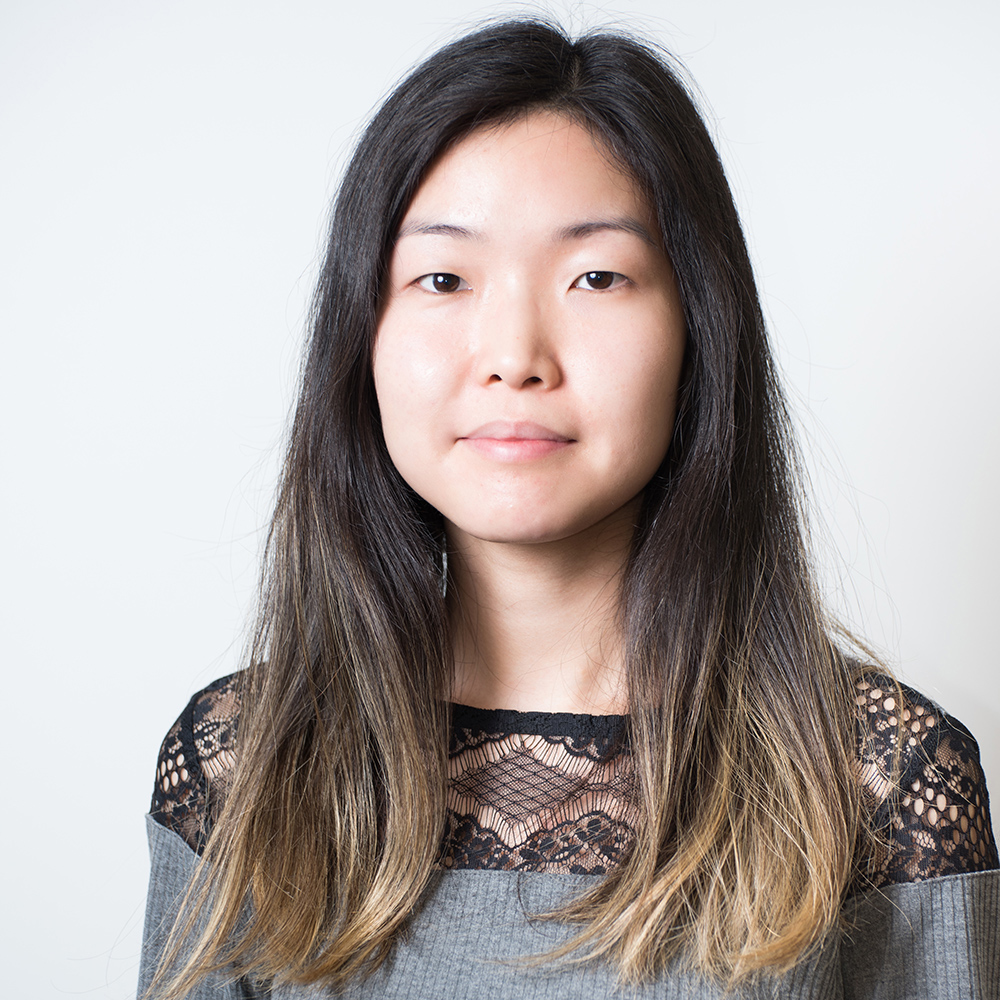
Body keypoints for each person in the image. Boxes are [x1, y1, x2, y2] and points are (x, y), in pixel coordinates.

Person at [138, 19, 998, 1000]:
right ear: (361, 336)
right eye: (442, 278)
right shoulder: (244, 766)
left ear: (698, 328)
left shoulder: (880, 779)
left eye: (596, 276)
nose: (514, 355)